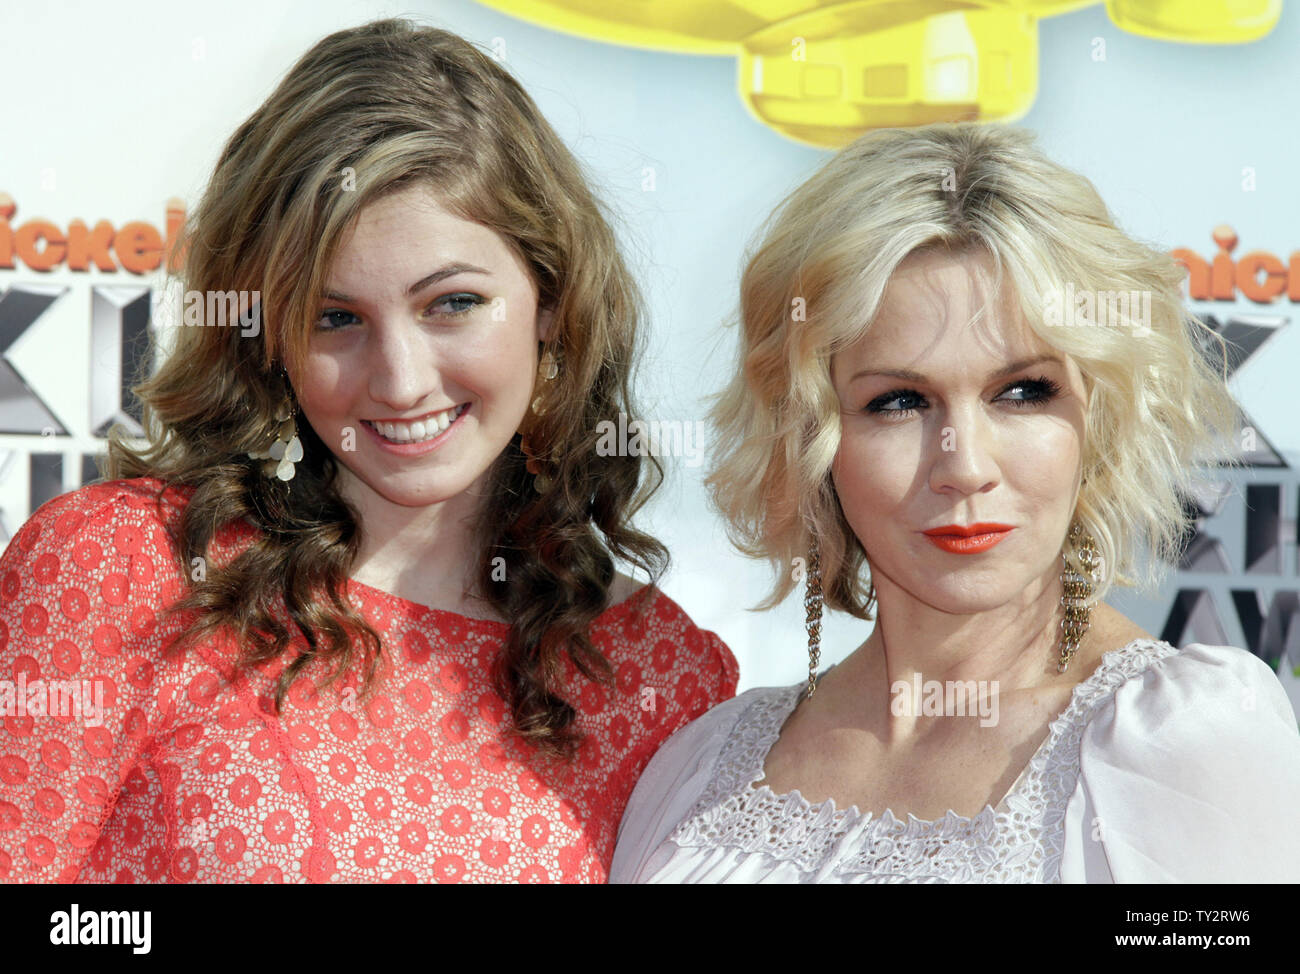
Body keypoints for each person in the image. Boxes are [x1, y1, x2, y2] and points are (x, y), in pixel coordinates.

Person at [0, 18, 737, 884]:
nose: (399, 380)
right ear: (266, 334)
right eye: (335, 317)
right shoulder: (121, 572)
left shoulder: (662, 676)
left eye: (452, 304)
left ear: (552, 303)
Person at [610, 122, 1300, 883]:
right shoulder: (697, 771)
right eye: (900, 401)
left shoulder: (1182, 743)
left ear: (1096, 417)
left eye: (1023, 392)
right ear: (809, 433)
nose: (964, 466)